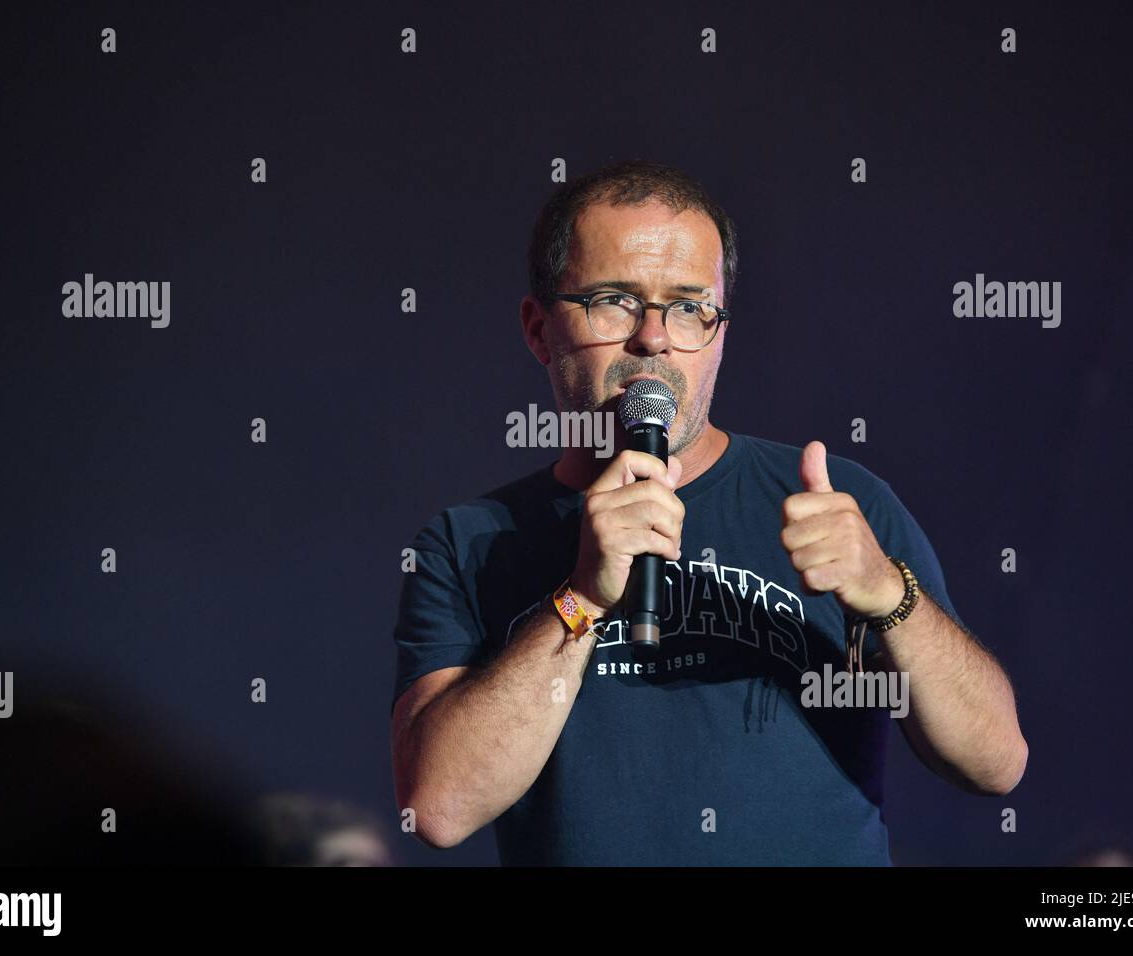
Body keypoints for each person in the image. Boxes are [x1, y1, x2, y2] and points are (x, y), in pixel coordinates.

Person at [389, 159, 1028, 865]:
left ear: (720, 330)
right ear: (539, 329)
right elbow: (440, 808)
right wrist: (581, 599)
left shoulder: (838, 503)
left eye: (690, 307)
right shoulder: (471, 542)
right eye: (615, 301)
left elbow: (996, 763)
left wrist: (887, 592)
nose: (655, 339)